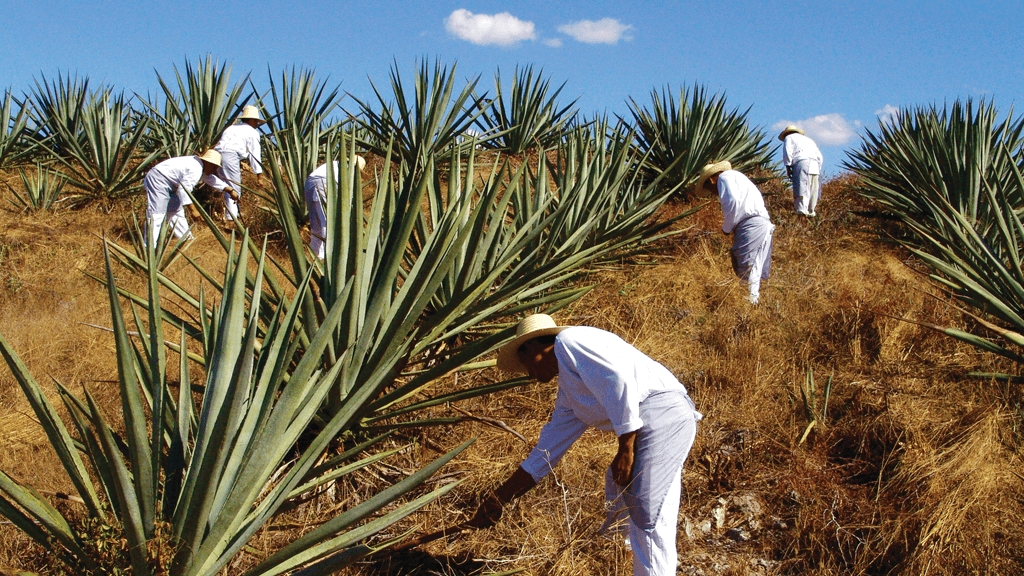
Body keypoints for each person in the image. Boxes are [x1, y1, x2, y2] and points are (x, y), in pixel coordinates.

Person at [470, 314, 702, 576]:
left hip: (662, 415)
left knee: (647, 513)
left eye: (525, 364)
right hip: (651, 423)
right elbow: (546, 451)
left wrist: (625, 447)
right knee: (624, 495)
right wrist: (500, 498)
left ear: (533, 347)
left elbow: (618, 379)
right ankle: (620, 558)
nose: (529, 375)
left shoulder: (569, 342)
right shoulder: (569, 393)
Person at [696, 161, 775, 304]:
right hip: (760, 224)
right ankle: (756, 305)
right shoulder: (737, 178)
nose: (712, 193)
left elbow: (732, 203)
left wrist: (726, 227)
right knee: (755, 268)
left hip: (750, 225)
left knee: (747, 268)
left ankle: (749, 307)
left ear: (712, 179)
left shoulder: (724, 178)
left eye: (708, 186)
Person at [143, 149, 226, 244]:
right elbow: (184, 190)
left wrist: (228, 189)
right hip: (158, 179)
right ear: (209, 163)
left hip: (169, 183)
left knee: (176, 211)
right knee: (157, 213)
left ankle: (187, 241)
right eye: (214, 167)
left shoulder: (199, 165)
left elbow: (209, 178)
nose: (214, 170)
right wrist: (193, 210)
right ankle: (149, 247)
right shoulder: (196, 168)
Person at [304, 155, 367, 259]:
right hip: (324, 182)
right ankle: (326, 257)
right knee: (328, 222)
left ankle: (314, 256)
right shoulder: (346, 169)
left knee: (316, 222)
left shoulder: (334, 164)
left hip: (310, 183)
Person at [213, 105, 265, 221]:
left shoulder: (231, 128)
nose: (257, 124)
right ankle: (232, 219)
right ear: (251, 120)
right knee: (234, 187)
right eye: (256, 121)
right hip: (230, 156)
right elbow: (254, 154)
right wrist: (259, 176)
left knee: (225, 185)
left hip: (216, 155)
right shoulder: (252, 132)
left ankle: (229, 214)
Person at [779, 125, 823, 216]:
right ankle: (811, 210)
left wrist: (788, 167)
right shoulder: (809, 140)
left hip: (801, 161)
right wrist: (819, 167)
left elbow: (788, 152)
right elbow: (819, 156)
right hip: (815, 164)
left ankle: (801, 210)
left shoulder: (789, 138)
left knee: (801, 185)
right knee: (813, 187)